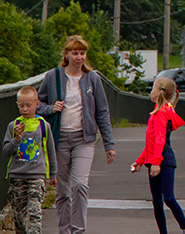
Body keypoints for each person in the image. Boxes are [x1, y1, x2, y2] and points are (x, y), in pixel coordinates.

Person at [37, 34, 116, 234]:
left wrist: (109, 144)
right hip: (60, 139)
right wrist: (51, 108)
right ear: (66, 55)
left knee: (79, 185)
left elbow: (102, 112)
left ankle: (78, 230)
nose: (79, 57)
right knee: (63, 190)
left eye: (82, 53)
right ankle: (65, 230)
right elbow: (37, 105)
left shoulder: (93, 78)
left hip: (84, 139)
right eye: (75, 53)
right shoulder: (53, 77)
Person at [131, 77, 185, 234]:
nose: (150, 92)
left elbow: (160, 140)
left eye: (152, 89)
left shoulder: (161, 114)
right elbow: (151, 143)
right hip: (155, 160)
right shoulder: (160, 112)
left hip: (163, 160)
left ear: (158, 92)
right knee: (157, 202)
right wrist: (140, 161)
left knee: (168, 198)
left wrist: (157, 162)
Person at [3, 86, 57, 234]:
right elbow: (6, 151)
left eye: (28, 105)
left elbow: (50, 151)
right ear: (17, 105)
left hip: (36, 175)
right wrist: (17, 139)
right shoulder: (13, 126)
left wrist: (53, 174)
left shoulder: (43, 126)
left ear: (37, 104)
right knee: (19, 217)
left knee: (34, 214)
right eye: (21, 106)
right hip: (17, 175)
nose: (25, 109)